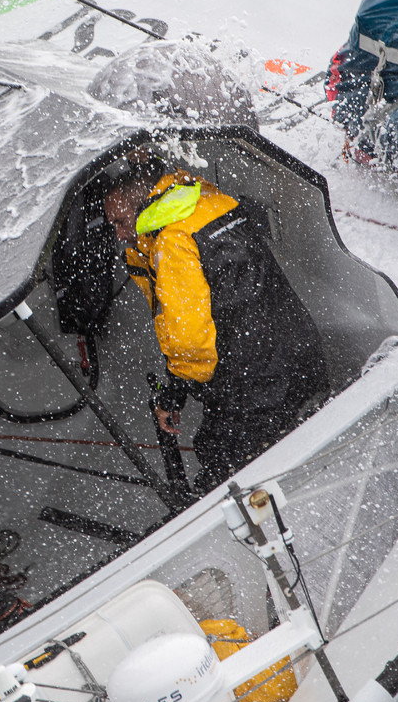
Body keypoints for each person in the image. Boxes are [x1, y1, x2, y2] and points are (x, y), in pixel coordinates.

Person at [103, 160, 329, 490]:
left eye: (121, 222)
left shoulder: (172, 242)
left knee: (226, 486)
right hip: (300, 356)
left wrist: (171, 397)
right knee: (304, 463)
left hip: (254, 391)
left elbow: (191, 346)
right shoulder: (209, 202)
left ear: (143, 203)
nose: (120, 234)